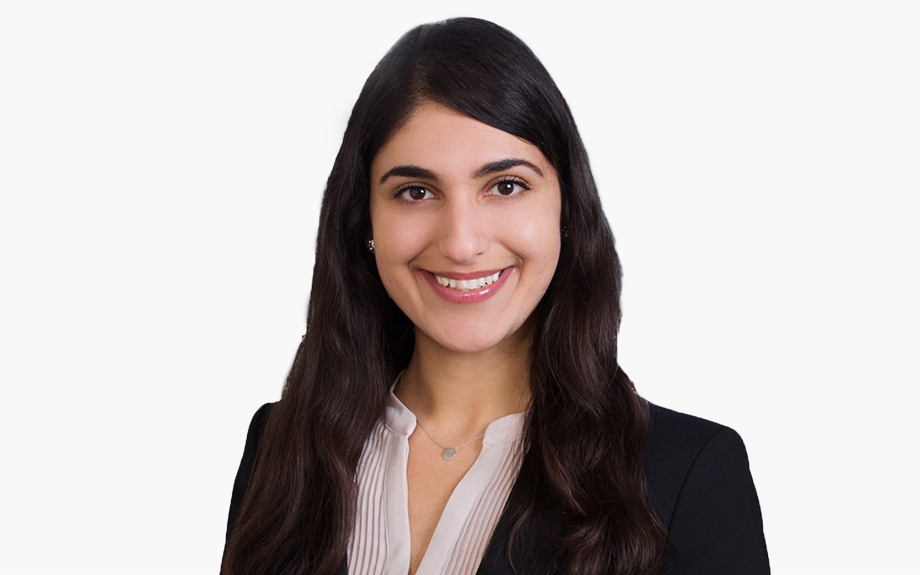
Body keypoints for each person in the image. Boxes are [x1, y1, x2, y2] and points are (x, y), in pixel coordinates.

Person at [221, 17, 769, 575]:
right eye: (415, 191)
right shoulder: (280, 447)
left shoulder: (687, 476)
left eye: (506, 186)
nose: (461, 244)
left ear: (566, 208)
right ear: (364, 219)